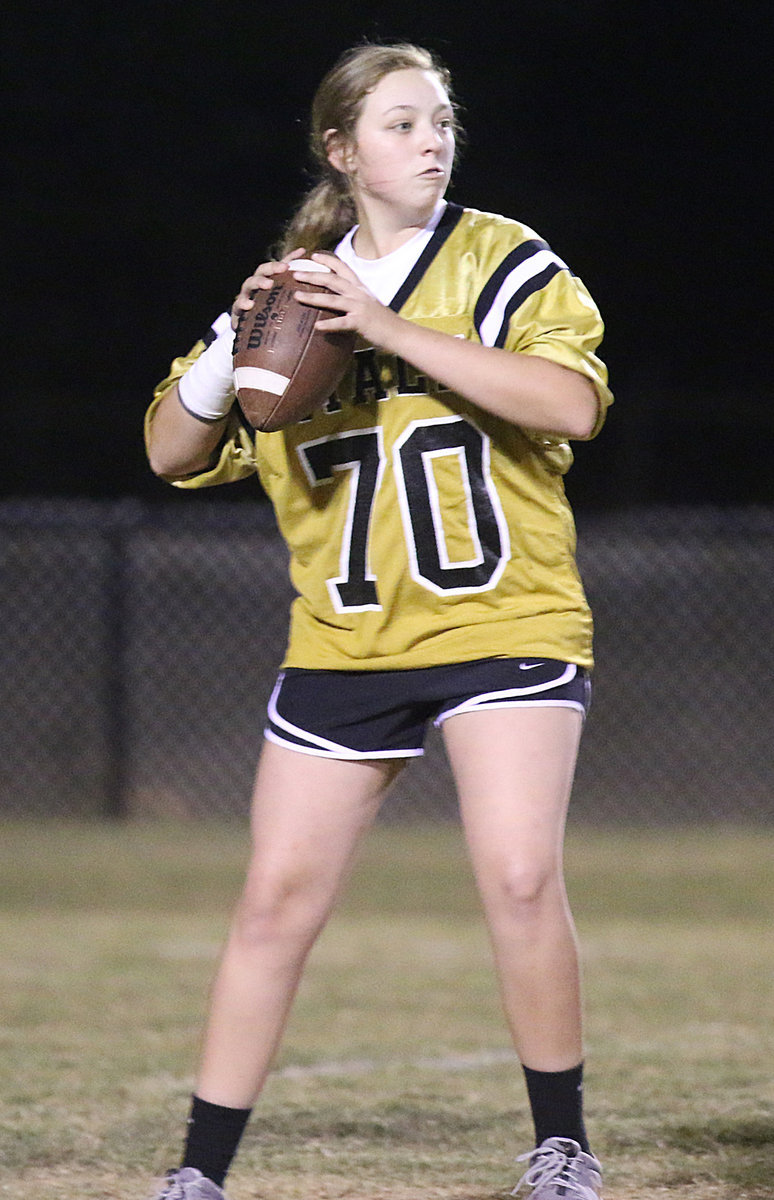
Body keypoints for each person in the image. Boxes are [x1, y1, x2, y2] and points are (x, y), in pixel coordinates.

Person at [145, 41, 612, 1200]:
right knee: (273, 905)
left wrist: (389, 328)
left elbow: (573, 404)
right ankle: (200, 1172)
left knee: (514, 876)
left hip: (503, 619)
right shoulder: (292, 292)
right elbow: (168, 450)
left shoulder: (501, 260)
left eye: (441, 120)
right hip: (345, 643)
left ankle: (562, 1146)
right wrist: (226, 351)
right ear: (341, 151)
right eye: (401, 124)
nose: (432, 140)